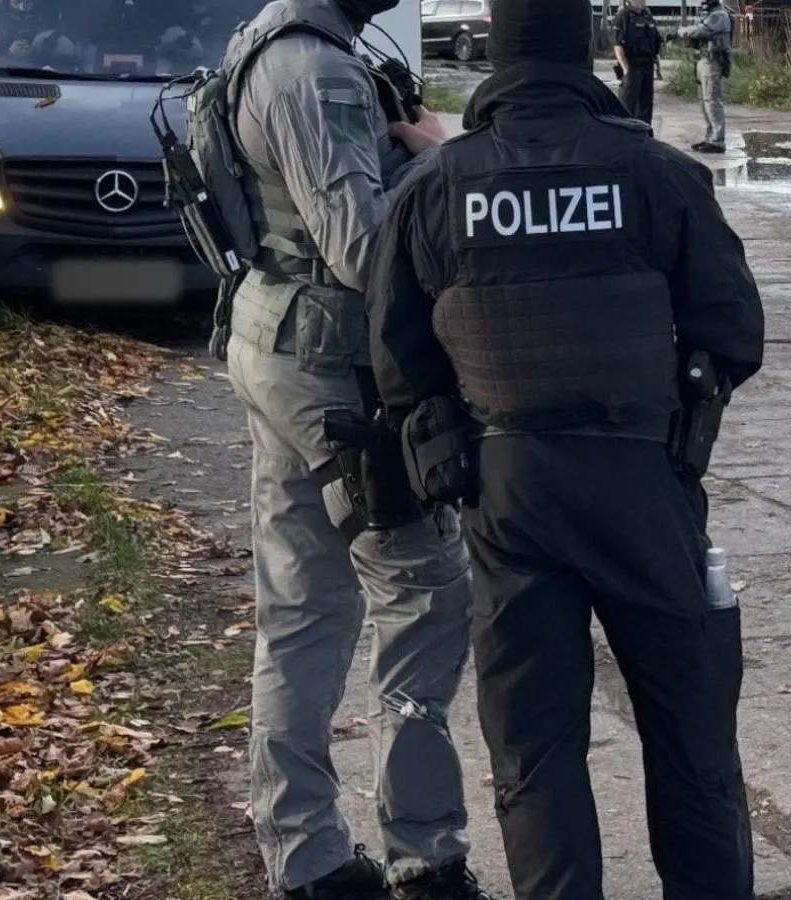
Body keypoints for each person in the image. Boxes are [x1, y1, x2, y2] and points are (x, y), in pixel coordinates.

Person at [366, 0, 765, 897]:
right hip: (642, 482)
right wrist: (682, 439)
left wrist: (451, 458)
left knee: (534, 751)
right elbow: (732, 331)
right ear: (588, 51)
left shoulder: (434, 188)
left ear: (493, 61)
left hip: (509, 493)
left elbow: (397, 359)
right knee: (692, 737)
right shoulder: (655, 173)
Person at [210, 1, 493, 898]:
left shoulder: (268, 42)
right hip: (335, 370)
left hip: (278, 339)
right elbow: (366, 248)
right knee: (426, 593)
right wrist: (435, 162)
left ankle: (307, 859)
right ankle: (425, 855)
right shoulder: (319, 70)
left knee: (302, 604)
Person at [678, 0, 732, 154]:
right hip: (703, 60)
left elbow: (701, 31)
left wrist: (683, 31)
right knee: (704, 101)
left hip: (713, 62)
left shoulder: (719, 15)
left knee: (712, 101)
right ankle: (710, 138)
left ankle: (718, 141)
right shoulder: (709, 14)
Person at [612, 0, 663, 125]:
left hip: (648, 65)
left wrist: (657, 68)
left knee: (645, 105)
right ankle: (626, 138)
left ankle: (645, 136)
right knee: (628, 105)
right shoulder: (623, 16)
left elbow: (655, 42)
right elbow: (618, 45)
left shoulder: (647, 16)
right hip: (632, 65)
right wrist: (626, 69)